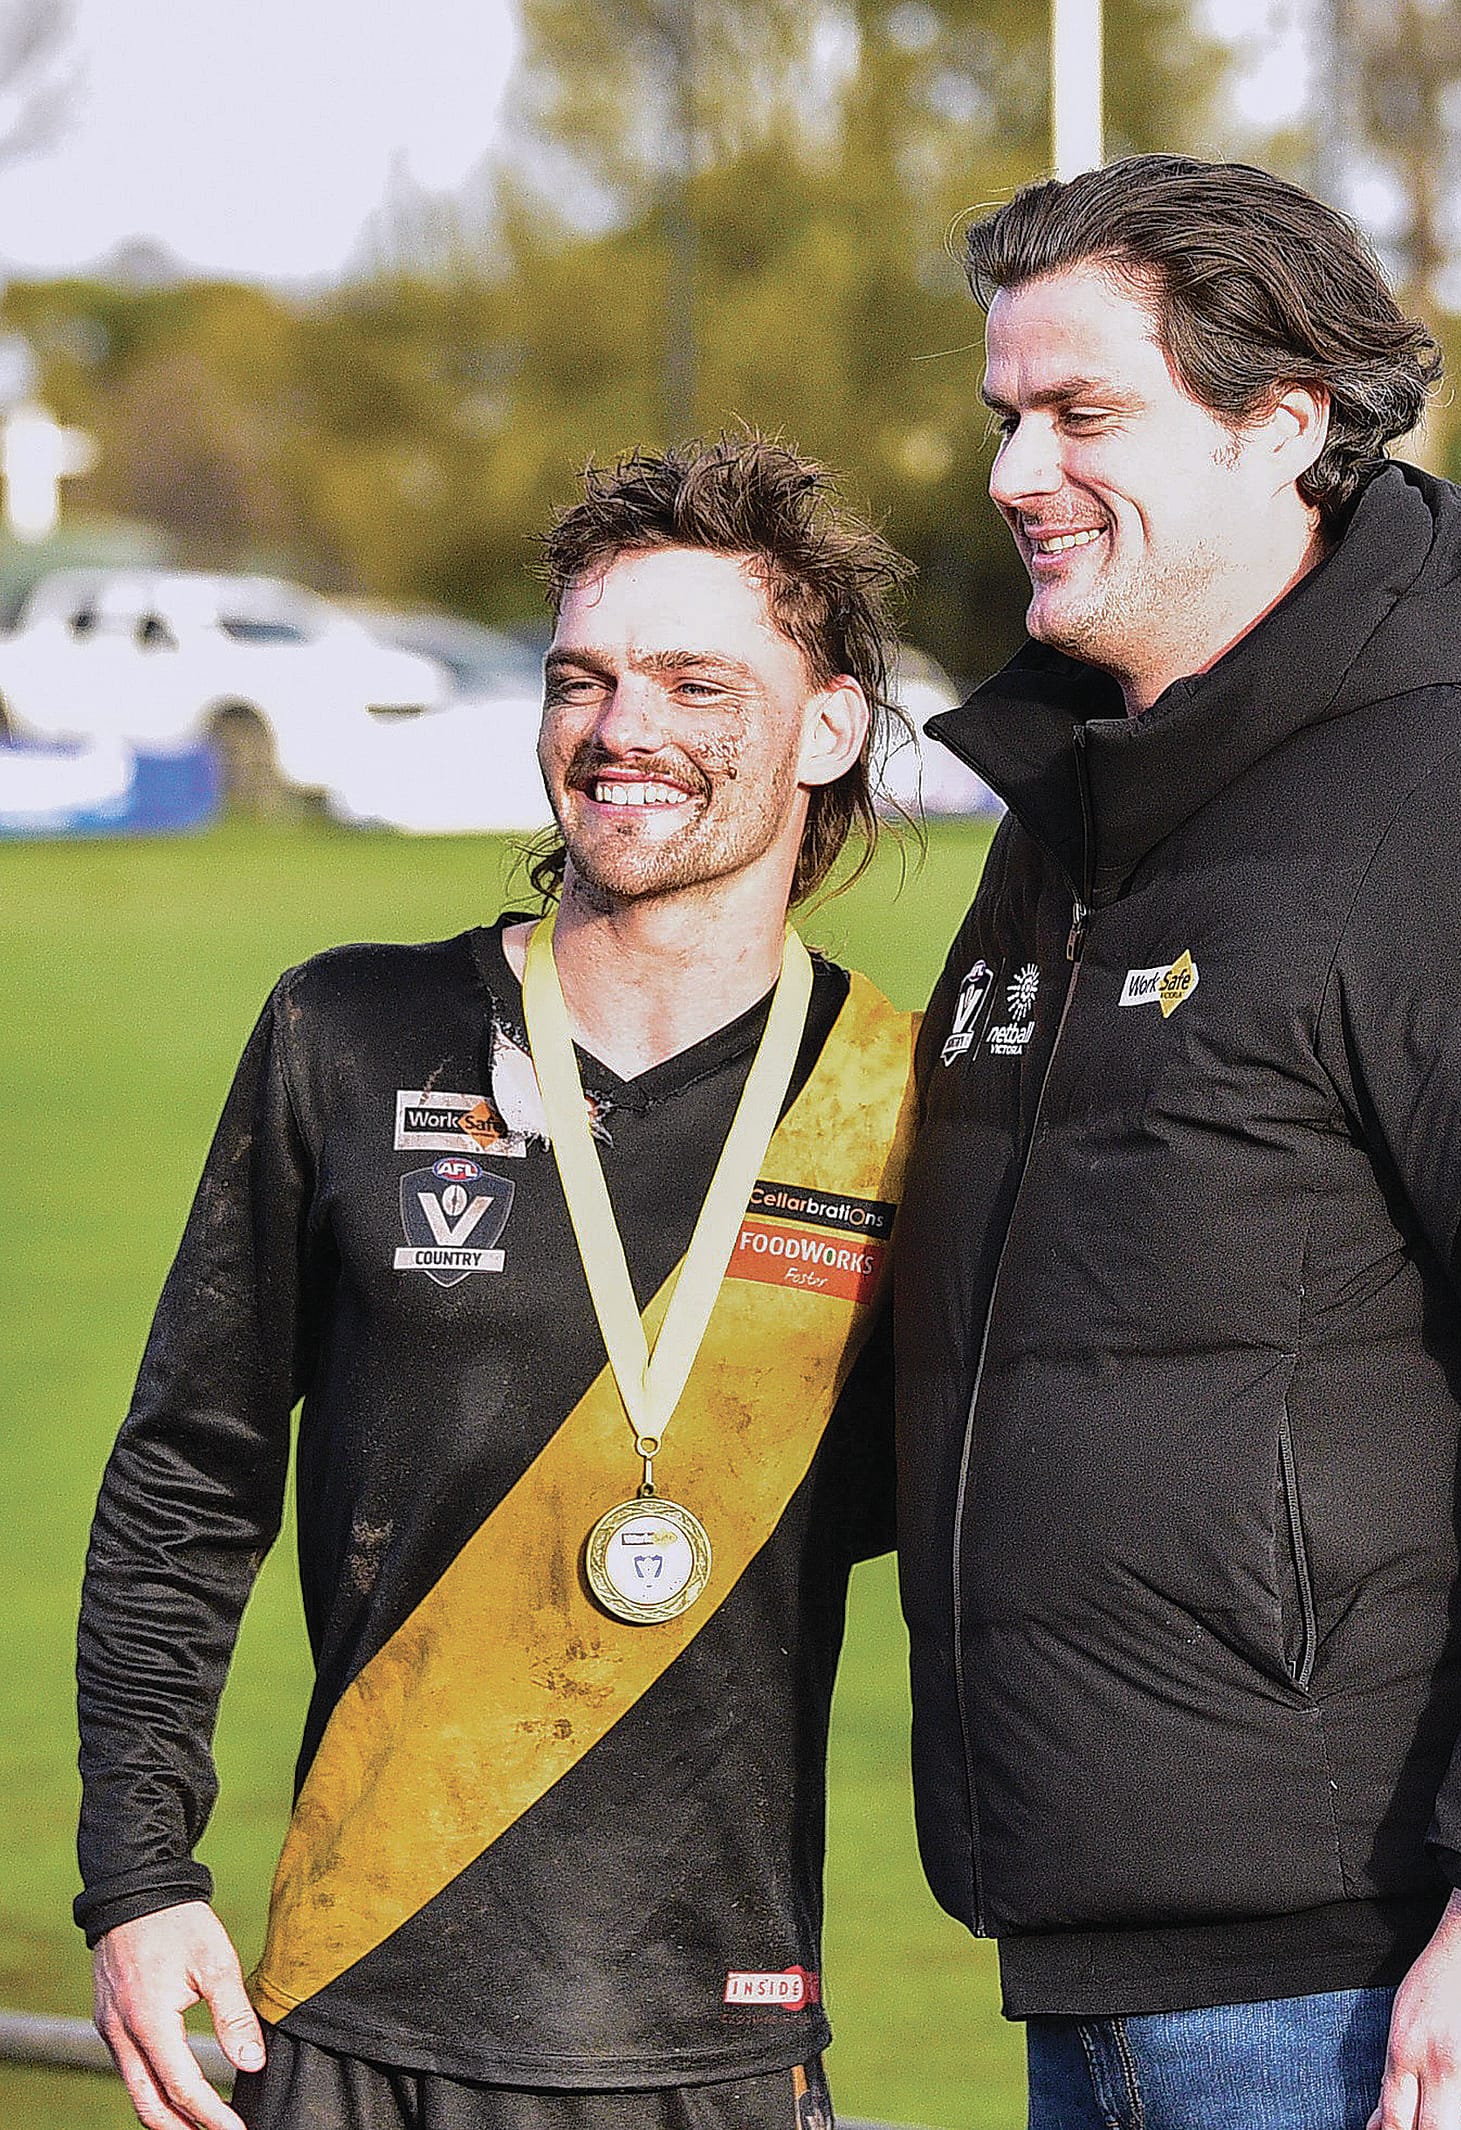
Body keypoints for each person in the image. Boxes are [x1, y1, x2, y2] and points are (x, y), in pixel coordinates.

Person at [893, 155, 1461, 2130]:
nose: (1013, 474)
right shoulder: (1075, 825)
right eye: (1003, 420)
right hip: (1112, 1939)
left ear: (1283, 427)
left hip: (1400, 1972)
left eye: (1081, 416)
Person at [77, 434, 919, 2130]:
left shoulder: (908, 1106)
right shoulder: (347, 1027)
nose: (626, 730)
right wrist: (138, 1872)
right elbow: (190, 1476)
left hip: (717, 2039)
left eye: (698, 680)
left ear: (829, 726)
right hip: (351, 2009)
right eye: (583, 678)